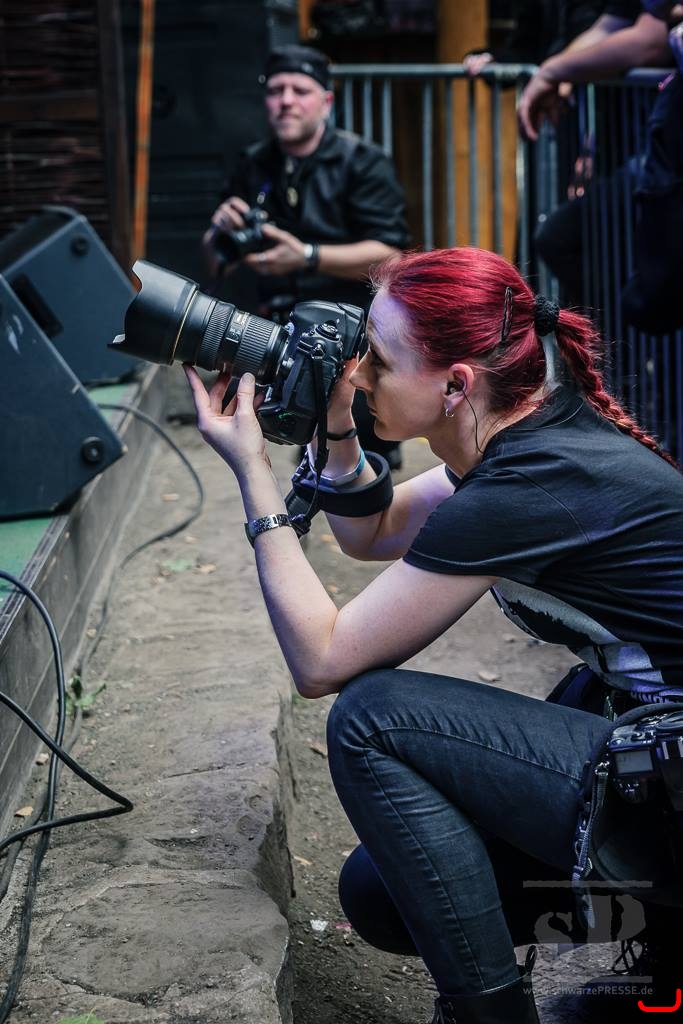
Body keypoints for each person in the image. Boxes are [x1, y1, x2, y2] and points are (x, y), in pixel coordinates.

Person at [184, 246, 683, 1024]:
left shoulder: (526, 485)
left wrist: (253, 475)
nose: (359, 374)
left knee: (371, 719)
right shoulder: (519, 440)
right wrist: (335, 422)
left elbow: (321, 661)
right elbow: (373, 531)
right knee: (379, 893)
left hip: (670, 790)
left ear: (455, 385)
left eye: (378, 362)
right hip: (655, 762)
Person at [203, 43, 410, 469]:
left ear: (326, 101)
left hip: (352, 331)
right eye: (276, 91)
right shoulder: (254, 163)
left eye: (300, 90)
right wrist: (218, 232)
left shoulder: (363, 162)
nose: (286, 101)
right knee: (295, 453)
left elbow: (392, 257)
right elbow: (214, 262)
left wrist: (308, 256)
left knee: (357, 457)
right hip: (276, 330)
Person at [517, 1, 672, 305]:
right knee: (561, 238)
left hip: (659, 154)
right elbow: (610, 24)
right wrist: (555, 71)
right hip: (647, 152)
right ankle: (618, 331)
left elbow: (651, 39)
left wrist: (555, 71)